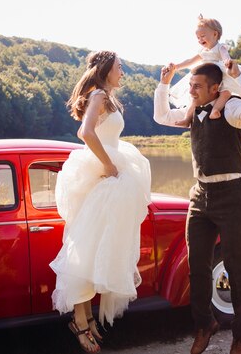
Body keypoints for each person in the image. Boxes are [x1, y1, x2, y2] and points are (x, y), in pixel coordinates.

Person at [153, 61, 241, 354]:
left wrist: (238, 77)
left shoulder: (232, 109)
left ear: (215, 88)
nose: (190, 91)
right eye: (190, 85)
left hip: (231, 196)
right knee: (197, 267)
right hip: (199, 196)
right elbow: (160, 116)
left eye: (196, 86)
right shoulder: (193, 110)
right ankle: (205, 325)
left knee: (237, 267)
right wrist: (165, 83)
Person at [50, 50, 151, 353]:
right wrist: (108, 165)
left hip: (110, 177)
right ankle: (80, 323)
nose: (123, 72)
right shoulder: (98, 96)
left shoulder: (107, 95)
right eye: (120, 67)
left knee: (100, 252)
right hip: (100, 177)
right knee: (86, 254)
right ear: (107, 69)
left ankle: (88, 318)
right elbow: (86, 132)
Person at [168, 14, 241, 127]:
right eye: (198, 38)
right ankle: (187, 119)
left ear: (215, 34)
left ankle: (215, 110)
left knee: (225, 93)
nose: (200, 40)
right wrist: (176, 67)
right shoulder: (203, 51)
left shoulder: (220, 47)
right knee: (194, 98)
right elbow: (190, 61)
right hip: (206, 75)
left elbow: (225, 56)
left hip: (220, 73)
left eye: (203, 36)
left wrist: (227, 62)